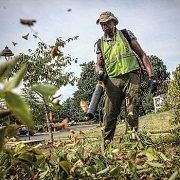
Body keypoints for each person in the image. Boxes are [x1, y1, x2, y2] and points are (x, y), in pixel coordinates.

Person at [95, 11, 157, 144]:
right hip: (112, 81)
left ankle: (132, 143)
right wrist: (99, 72)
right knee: (109, 113)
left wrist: (152, 76)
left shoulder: (125, 35)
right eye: (102, 25)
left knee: (131, 111)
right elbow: (98, 64)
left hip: (131, 77)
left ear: (114, 22)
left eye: (107, 23)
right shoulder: (100, 43)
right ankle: (106, 144)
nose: (105, 27)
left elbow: (142, 55)